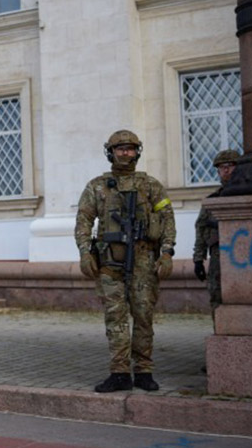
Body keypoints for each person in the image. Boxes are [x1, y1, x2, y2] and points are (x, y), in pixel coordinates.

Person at [75, 129, 176, 394]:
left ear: (137, 152)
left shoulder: (151, 185)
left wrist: (167, 252)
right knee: (115, 317)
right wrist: (85, 252)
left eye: (130, 148)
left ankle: (143, 371)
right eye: (120, 149)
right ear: (111, 152)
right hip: (109, 263)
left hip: (144, 261)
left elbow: (167, 219)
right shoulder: (97, 186)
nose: (125, 153)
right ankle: (120, 372)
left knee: (143, 316)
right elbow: (84, 220)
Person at [193, 150, 240, 314]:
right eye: (221, 167)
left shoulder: (248, 196)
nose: (226, 170)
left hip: (244, 254)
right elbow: (201, 229)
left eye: (230, 166)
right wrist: (198, 260)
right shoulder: (212, 200)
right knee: (216, 295)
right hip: (218, 254)